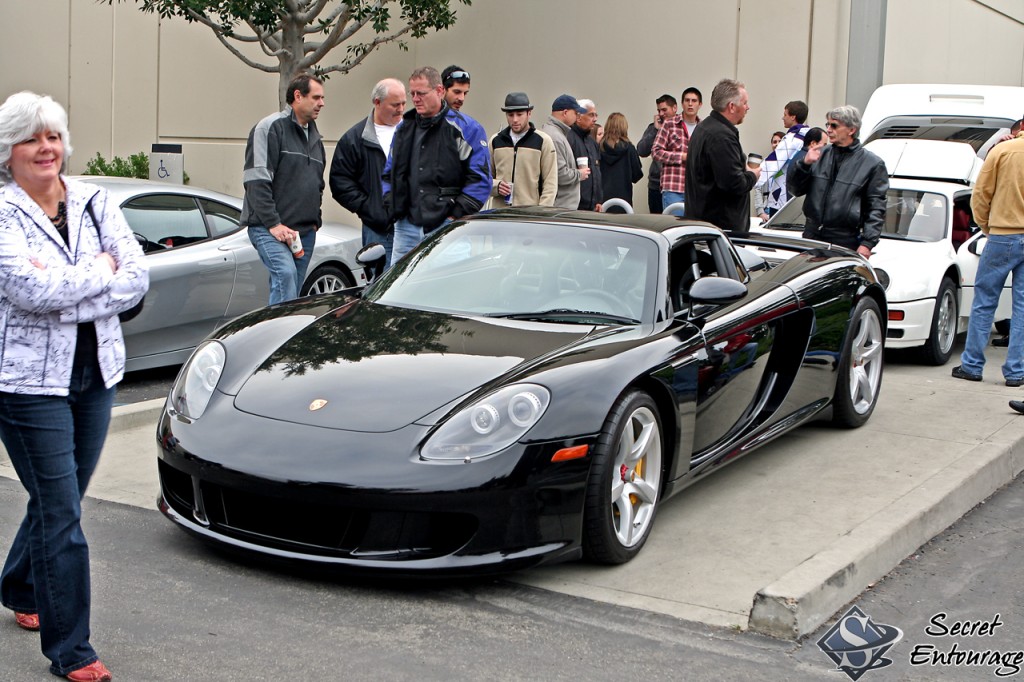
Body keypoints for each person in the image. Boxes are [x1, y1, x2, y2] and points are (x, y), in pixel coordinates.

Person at [0, 91, 148, 682]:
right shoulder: (4, 214)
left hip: (96, 374)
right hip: (27, 385)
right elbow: (30, 292)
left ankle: (17, 584)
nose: (46, 148)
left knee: (60, 499)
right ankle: (73, 650)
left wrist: (71, 286)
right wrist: (96, 276)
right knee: (61, 511)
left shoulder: (93, 200)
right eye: (32, 138)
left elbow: (135, 277)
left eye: (53, 136)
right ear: (8, 152)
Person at [382, 66, 490, 263]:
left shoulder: (467, 129)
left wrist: (454, 217)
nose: (415, 99)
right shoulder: (404, 129)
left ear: (439, 91)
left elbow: (480, 181)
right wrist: (393, 205)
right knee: (400, 288)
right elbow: (389, 174)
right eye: (412, 93)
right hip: (406, 225)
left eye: (421, 93)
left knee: (446, 287)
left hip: (447, 226)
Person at [241, 73, 326, 304]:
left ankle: (282, 333)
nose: (322, 103)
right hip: (269, 229)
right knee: (285, 277)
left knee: (291, 295)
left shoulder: (316, 139)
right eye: (316, 97)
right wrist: (274, 224)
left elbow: (318, 184)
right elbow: (256, 182)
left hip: (304, 234)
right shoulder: (269, 128)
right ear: (298, 96)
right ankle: (279, 338)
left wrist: (314, 221)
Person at [951, 122, 1024, 386]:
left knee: (984, 301)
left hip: (1003, 234)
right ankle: (1016, 372)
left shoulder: (1003, 151)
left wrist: (986, 226)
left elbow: (980, 194)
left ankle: (972, 365)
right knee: (1023, 308)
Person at [787, 105, 888, 257]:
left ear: (851, 130)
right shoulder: (819, 154)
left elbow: (876, 208)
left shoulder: (872, 164)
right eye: (827, 125)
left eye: (834, 125)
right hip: (812, 236)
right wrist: (804, 164)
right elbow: (795, 190)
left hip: (844, 240)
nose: (828, 130)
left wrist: (867, 243)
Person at [329, 78, 406, 270]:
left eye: (404, 103)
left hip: (414, 227)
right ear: (377, 102)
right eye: (395, 104)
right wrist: (370, 208)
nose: (401, 109)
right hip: (379, 230)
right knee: (379, 286)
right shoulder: (355, 139)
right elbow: (340, 182)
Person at [684, 79, 759, 234]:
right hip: (720, 232)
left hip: (703, 225)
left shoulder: (703, 128)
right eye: (744, 103)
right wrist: (752, 175)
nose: (748, 107)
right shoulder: (722, 137)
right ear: (731, 106)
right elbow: (733, 184)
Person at [489, 92, 557, 207]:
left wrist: (541, 213)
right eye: (510, 115)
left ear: (529, 113)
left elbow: (550, 183)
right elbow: (484, 178)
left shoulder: (543, 141)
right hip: (500, 214)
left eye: (519, 114)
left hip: (529, 215)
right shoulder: (495, 140)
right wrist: (497, 185)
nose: (515, 119)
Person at [441, 65, 492, 215]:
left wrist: (454, 216)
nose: (461, 98)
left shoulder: (471, 129)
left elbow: (481, 181)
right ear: (441, 89)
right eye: (457, 92)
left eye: (465, 93)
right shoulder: (414, 123)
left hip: (448, 223)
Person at [755, 101, 810, 219]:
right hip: (799, 196)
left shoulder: (791, 139)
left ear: (793, 117)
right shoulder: (808, 138)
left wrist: (752, 176)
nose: (782, 118)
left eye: (785, 114)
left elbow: (774, 161)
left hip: (782, 196)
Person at [653, 87, 703, 216]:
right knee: (674, 229)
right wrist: (682, 157)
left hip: (696, 190)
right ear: (682, 104)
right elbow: (656, 152)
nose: (690, 104)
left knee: (694, 231)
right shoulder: (670, 124)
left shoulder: (704, 128)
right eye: (687, 100)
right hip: (673, 188)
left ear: (700, 104)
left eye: (694, 101)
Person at [540, 94, 591, 209]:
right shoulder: (555, 137)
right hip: (560, 207)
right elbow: (559, 174)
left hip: (561, 206)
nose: (578, 116)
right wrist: (580, 174)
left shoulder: (555, 133)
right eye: (576, 113)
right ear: (565, 112)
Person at [636, 94, 677, 214]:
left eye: (665, 110)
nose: (661, 113)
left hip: (675, 184)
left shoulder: (681, 127)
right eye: (659, 110)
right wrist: (655, 130)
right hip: (656, 184)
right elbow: (641, 150)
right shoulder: (653, 127)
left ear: (674, 108)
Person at [599, 112, 643, 206]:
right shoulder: (629, 148)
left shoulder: (599, 147)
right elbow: (637, 175)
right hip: (624, 198)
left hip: (602, 197)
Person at [569, 98, 604, 211]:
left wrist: (598, 200)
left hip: (593, 207)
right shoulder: (569, 139)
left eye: (596, 115)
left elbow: (597, 172)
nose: (595, 119)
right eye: (591, 115)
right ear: (578, 117)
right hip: (575, 207)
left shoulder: (592, 142)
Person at [753, 130, 785, 222]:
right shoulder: (766, 163)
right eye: (774, 142)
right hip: (767, 210)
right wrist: (760, 212)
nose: (777, 144)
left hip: (783, 209)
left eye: (780, 141)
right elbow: (758, 188)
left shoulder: (789, 164)